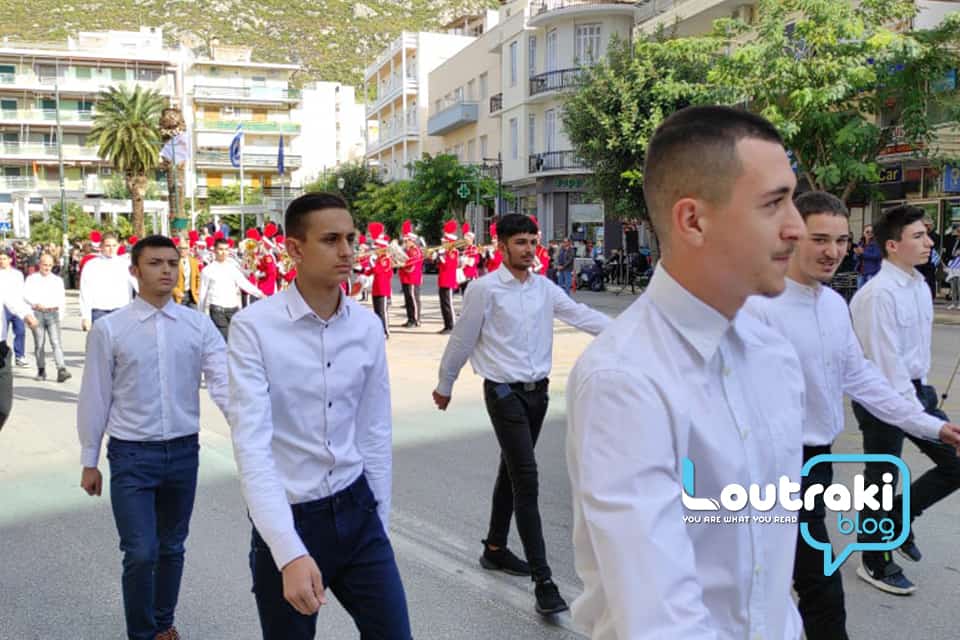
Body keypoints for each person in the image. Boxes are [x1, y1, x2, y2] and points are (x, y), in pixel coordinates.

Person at [567, 106, 807, 639]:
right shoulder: (626, 380)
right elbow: (659, 620)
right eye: (773, 204)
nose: (797, 227)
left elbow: (769, 569)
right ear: (693, 221)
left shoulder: (774, 355)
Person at [745, 192, 960, 639]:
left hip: (815, 462)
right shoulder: (755, 306)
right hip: (767, 471)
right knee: (810, 590)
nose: (834, 251)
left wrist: (934, 426)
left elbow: (862, 378)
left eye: (842, 240)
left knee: (802, 589)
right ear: (790, 235)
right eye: (820, 239)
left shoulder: (831, 305)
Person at [228, 192, 411, 639]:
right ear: (294, 248)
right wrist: (287, 550)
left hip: (358, 510)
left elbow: (373, 430)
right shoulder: (254, 328)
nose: (347, 251)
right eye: (331, 240)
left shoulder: (367, 327)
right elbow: (252, 447)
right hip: (292, 515)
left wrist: (379, 521)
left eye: (350, 238)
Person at [433, 213, 610, 616]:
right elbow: (462, 339)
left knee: (511, 471)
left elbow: (582, 315)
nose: (529, 250)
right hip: (503, 393)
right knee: (526, 479)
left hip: (537, 396)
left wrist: (632, 329)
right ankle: (544, 582)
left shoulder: (544, 288)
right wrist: (445, 384)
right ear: (502, 247)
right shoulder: (484, 289)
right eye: (520, 243)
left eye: (533, 242)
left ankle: (495, 548)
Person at [77, 235, 229, 640]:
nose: (166, 270)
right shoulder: (110, 330)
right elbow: (95, 396)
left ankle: (163, 625)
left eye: (172, 263)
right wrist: (90, 460)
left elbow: (224, 384)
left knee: (172, 547)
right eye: (155, 263)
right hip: (131, 457)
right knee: (141, 552)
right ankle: (142, 634)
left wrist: (252, 428)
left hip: (183, 453)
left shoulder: (198, 326)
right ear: (134, 271)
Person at [850, 204, 960, 595]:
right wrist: (925, 419)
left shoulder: (919, 286)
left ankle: (897, 517)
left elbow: (916, 355)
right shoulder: (877, 296)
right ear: (893, 245)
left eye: (928, 234)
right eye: (919, 236)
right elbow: (887, 369)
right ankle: (873, 558)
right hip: (880, 395)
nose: (929, 242)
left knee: (954, 465)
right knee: (881, 478)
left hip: (915, 389)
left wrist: (924, 398)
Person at [198, 237, 264, 341]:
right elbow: (202, 293)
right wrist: (201, 315)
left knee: (237, 339)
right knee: (225, 340)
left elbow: (244, 283)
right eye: (220, 249)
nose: (223, 252)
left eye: (226, 249)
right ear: (214, 250)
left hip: (233, 309)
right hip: (217, 309)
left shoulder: (232, 268)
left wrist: (260, 294)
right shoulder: (207, 270)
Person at [23, 253, 70, 383]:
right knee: (39, 343)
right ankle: (41, 370)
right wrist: (34, 304)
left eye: (50, 265)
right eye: (45, 265)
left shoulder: (57, 280)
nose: (47, 267)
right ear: (39, 264)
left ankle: (61, 369)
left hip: (53, 312)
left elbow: (62, 298)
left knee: (56, 342)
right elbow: (25, 295)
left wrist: (61, 314)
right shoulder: (32, 279)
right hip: (38, 313)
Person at [79, 232, 137, 330]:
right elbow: (85, 291)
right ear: (101, 247)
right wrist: (86, 316)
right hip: (99, 312)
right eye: (108, 246)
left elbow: (139, 286)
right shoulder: (91, 265)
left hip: (122, 311)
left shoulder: (126, 265)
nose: (111, 249)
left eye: (114, 245)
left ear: (118, 246)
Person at [0, 250, 28, 367]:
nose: (2, 261)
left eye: (4, 259)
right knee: (2, 334)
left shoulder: (17, 274)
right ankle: (2, 357)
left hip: (16, 307)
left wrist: (24, 307)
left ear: (10, 260)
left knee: (20, 331)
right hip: (2, 308)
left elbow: (22, 291)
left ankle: (19, 356)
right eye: (0, 259)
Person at [436, 220, 459, 334]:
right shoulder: (446, 252)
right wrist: (437, 257)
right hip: (442, 280)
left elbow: (448, 265)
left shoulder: (453, 252)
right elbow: (440, 266)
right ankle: (446, 325)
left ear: (450, 242)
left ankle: (451, 326)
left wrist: (441, 256)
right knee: (443, 305)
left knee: (448, 304)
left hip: (449, 281)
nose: (443, 243)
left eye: (445, 242)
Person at [399, 220, 423, 328]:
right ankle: (410, 318)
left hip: (412, 278)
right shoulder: (408, 250)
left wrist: (401, 263)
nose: (405, 242)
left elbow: (411, 266)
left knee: (413, 299)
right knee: (408, 299)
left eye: (406, 241)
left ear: (411, 241)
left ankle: (415, 320)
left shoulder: (414, 251)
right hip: (406, 278)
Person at [172, 238, 201, 308]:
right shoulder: (172, 262)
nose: (182, 250)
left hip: (192, 295)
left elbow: (198, 277)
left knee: (194, 314)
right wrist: (176, 291)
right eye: (180, 248)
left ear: (189, 249)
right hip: (179, 296)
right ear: (177, 249)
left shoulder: (193, 261)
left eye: (185, 248)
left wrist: (197, 289)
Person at [854, 224, 881, 288]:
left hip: (871, 272)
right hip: (861, 273)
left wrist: (863, 253)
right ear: (863, 233)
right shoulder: (861, 243)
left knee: (871, 292)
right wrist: (857, 254)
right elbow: (855, 258)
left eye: (871, 232)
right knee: (860, 292)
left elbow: (877, 255)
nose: (869, 233)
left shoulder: (877, 243)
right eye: (867, 232)